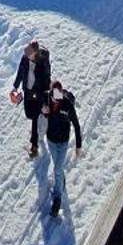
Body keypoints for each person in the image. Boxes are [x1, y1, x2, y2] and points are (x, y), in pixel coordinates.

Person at [41, 79, 83, 217]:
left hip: (63, 142)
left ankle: (57, 197)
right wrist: (43, 110)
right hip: (51, 140)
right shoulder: (47, 98)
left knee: (57, 168)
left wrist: (78, 146)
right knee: (58, 168)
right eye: (54, 97)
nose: (56, 100)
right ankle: (61, 181)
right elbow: (39, 107)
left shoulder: (67, 105)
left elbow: (76, 125)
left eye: (58, 97)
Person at [10, 41, 51, 156]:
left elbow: (46, 82)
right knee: (29, 114)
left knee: (34, 116)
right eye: (26, 52)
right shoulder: (24, 59)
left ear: (35, 54)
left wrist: (44, 101)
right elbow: (20, 73)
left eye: (29, 53)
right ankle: (41, 117)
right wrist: (15, 87)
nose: (26, 54)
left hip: (38, 92)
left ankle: (34, 146)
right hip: (27, 91)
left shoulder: (42, 64)